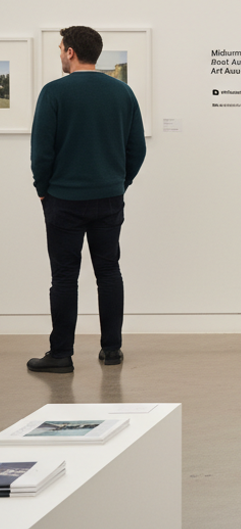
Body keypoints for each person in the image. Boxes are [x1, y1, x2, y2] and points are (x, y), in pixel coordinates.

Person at [28, 26, 146, 374]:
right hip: (109, 197)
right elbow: (136, 149)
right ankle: (111, 350)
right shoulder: (122, 92)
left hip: (63, 199)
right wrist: (119, 183)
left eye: (61, 48)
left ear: (70, 52)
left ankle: (61, 354)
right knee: (109, 272)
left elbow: (41, 153)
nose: (61, 53)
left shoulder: (54, 93)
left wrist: (42, 189)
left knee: (64, 277)